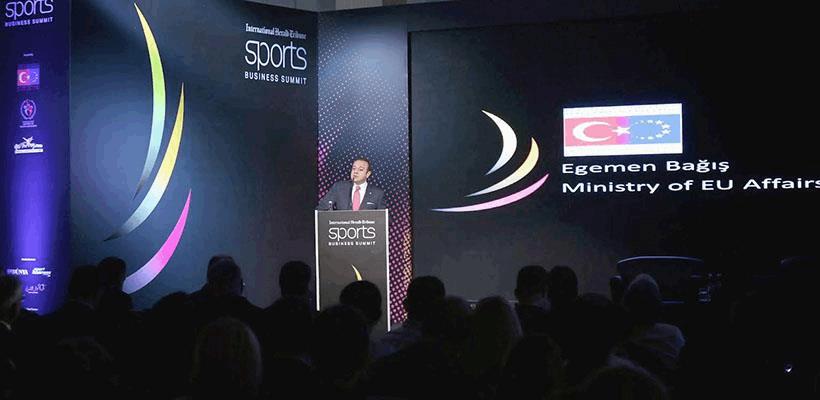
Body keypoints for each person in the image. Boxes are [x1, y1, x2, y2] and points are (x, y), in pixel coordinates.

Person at [316, 157, 386, 210]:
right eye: (354, 168)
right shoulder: (339, 188)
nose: (355, 172)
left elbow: (383, 218)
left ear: (368, 174)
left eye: (360, 169)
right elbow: (322, 209)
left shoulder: (377, 193)